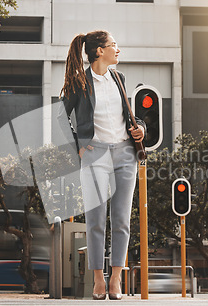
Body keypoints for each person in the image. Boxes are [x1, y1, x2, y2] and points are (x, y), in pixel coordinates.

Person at [58, 30, 145, 300]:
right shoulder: (79, 82)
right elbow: (60, 116)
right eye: (113, 45)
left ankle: (116, 278)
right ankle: (98, 279)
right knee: (96, 221)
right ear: (99, 51)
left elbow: (130, 116)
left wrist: (140, 128)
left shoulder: (119, 79)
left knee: (121, 220)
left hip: (125, 154)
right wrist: (79, 145)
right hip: (94, 155)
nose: (117, 50)